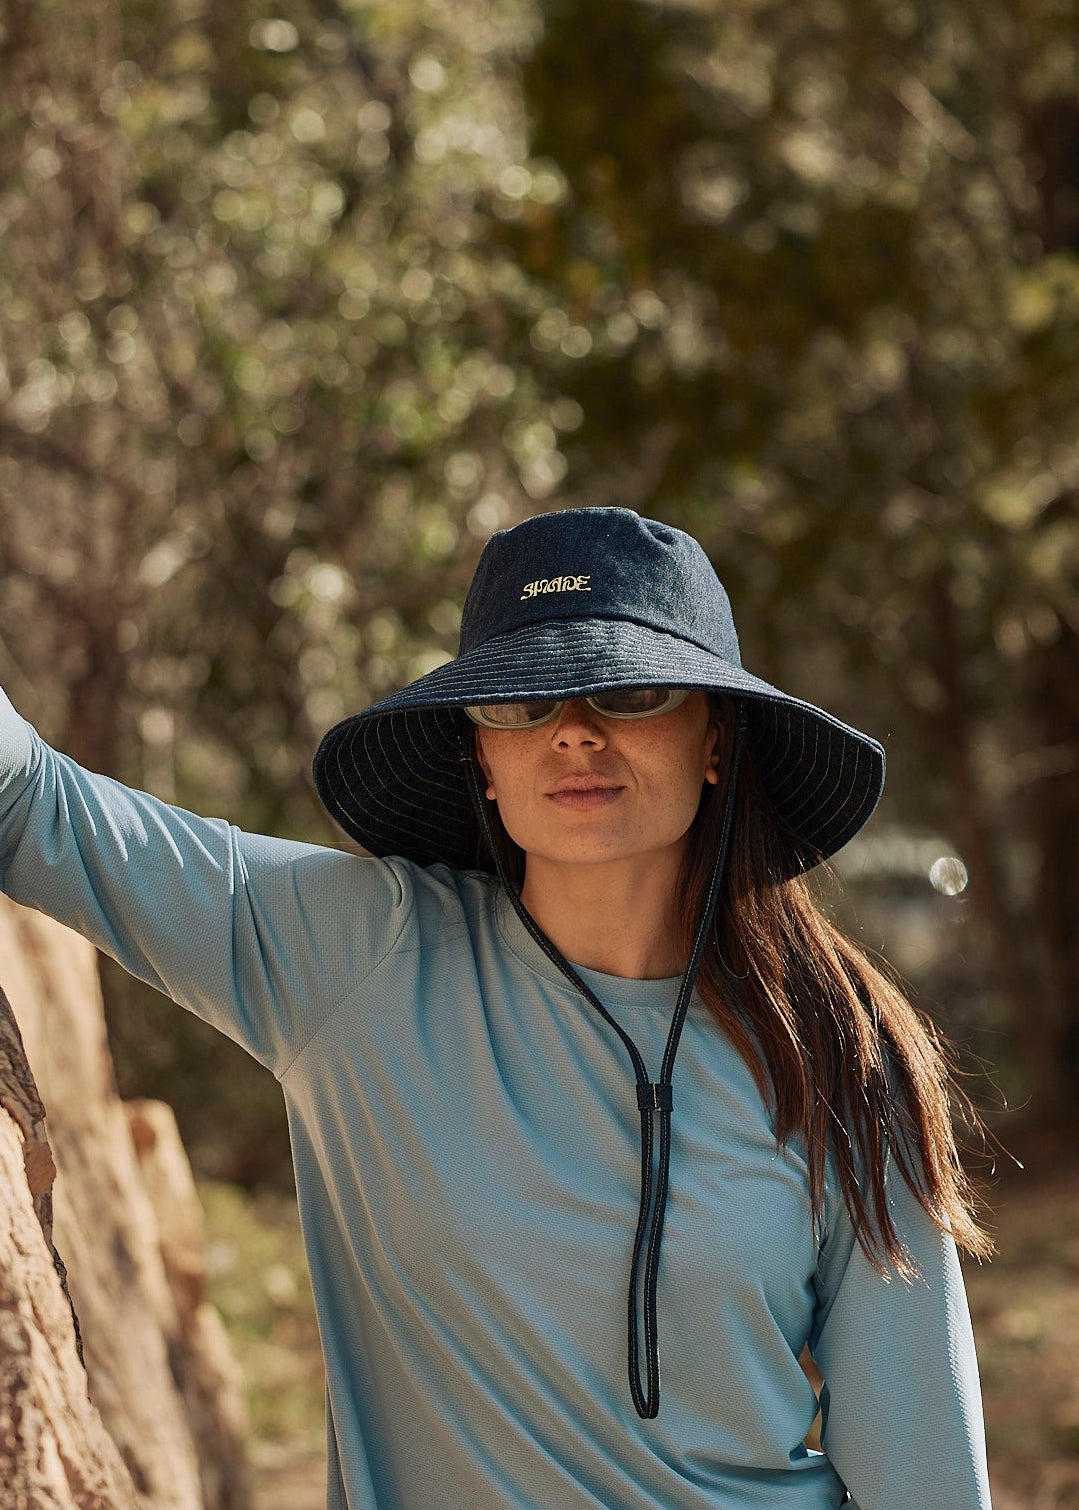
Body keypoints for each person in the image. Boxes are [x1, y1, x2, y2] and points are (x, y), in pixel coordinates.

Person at [0, 506, 992, 1509]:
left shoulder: (829, 1045)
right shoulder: (359, 962)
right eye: (517, 701)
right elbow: (33, 804)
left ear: (715, 739)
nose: (572, 730)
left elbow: (925, 1478)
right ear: (479, 751)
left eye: (628, 689)